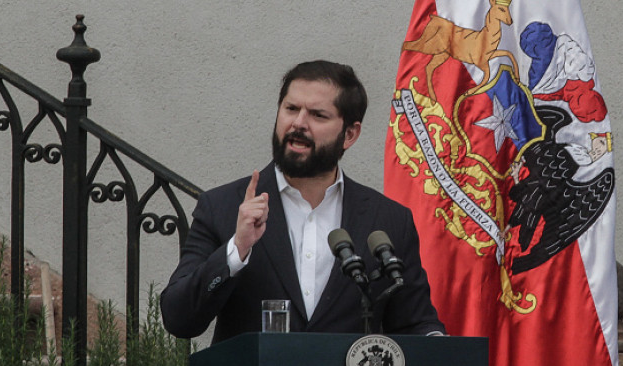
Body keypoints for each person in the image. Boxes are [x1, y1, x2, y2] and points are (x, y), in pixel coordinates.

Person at [160, 60, 445, 344]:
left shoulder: (388, 220)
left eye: (318, 115)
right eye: (291, 109)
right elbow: (179, 318)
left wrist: (442, 348)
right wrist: (237, 249)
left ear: (350, 134)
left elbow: (414, 323)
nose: (298, 124)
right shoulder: (222, 207)